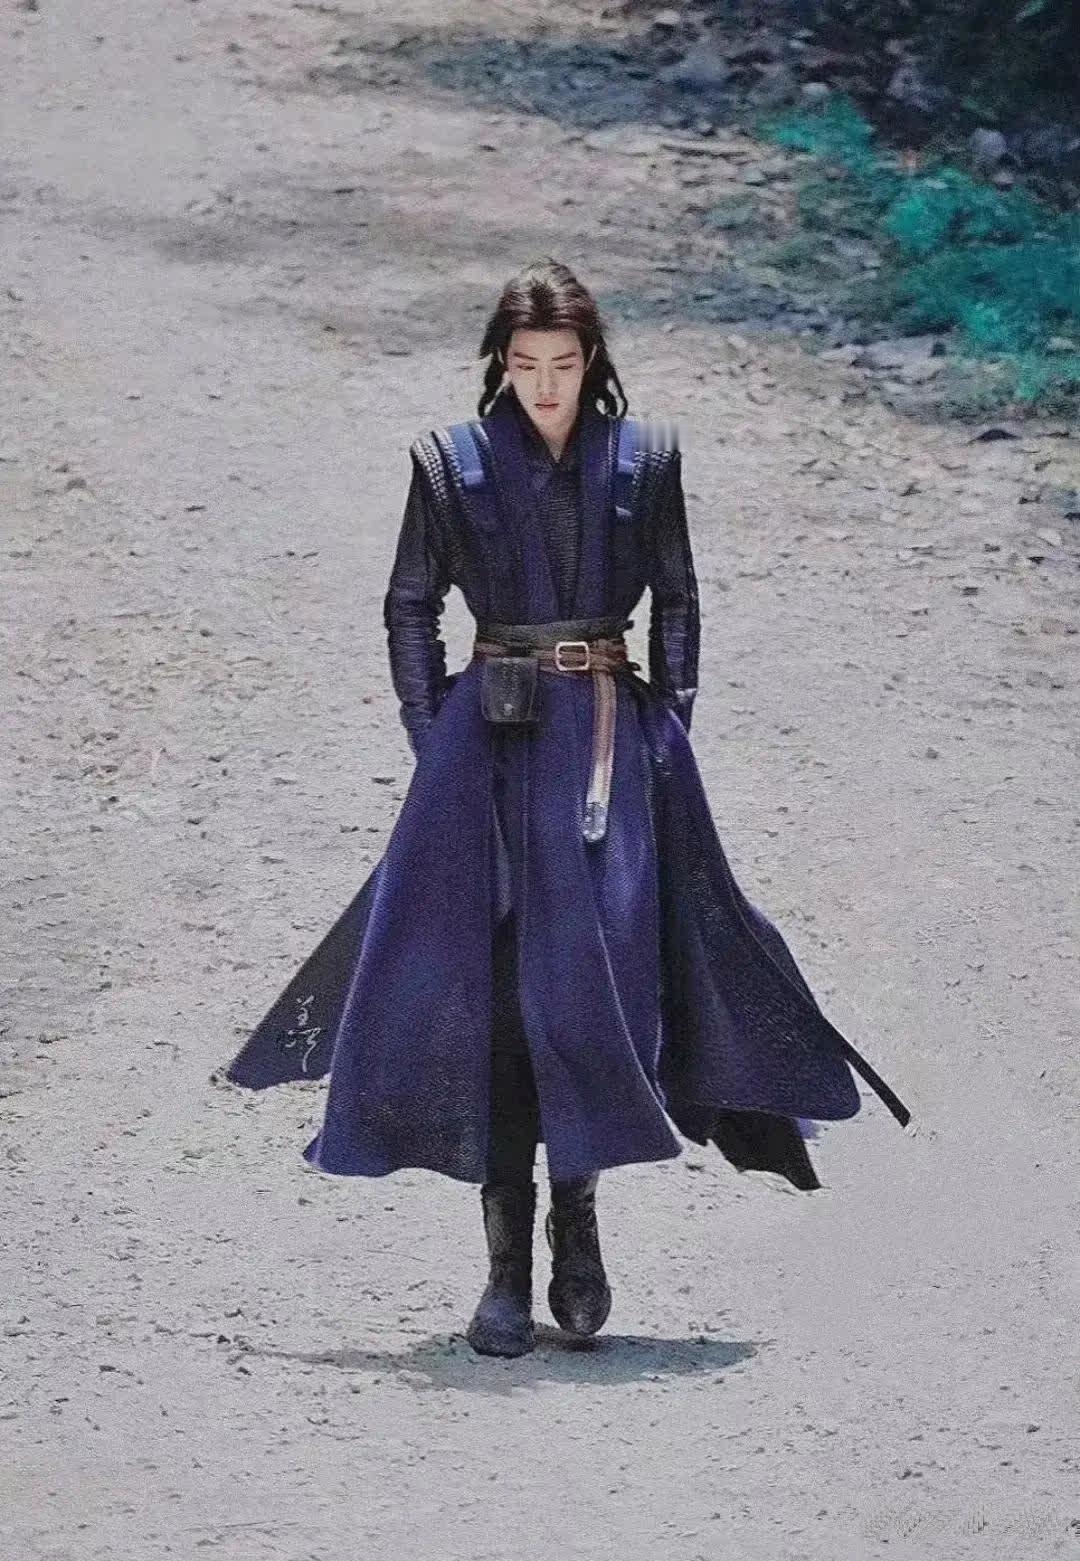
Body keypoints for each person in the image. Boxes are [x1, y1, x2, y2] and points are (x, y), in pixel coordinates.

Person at [225, 257, 911, 1359]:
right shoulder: (451, 465)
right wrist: (433, 741)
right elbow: (409, 603)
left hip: (605, 745)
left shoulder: (644, 461)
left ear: (592, 362)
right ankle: (504, 1266)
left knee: (600, 988)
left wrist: (666, 729)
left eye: (564, 363)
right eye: (526, 364)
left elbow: (678, 599)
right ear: (502, 364)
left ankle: (576, 1222)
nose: (545, 385)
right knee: (493, 994)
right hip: (486, 753)